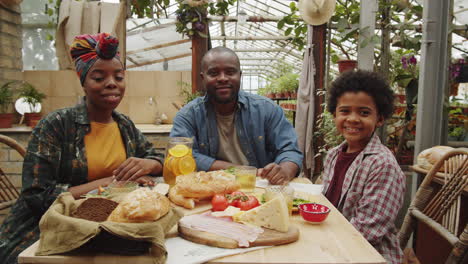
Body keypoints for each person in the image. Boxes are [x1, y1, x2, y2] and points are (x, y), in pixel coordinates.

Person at [0, 33, 163, 263]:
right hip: (45, 230)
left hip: (107, 225)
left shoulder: (124, 125)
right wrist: (107, 184)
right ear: (84, 83)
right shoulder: (56, 125)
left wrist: (150, 163)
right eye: (99, 77)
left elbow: (157, 157)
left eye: (119, 76)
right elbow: (37, 196)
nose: (111, 83)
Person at [170, 47, 303, 185]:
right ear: (203, 78)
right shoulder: (188, 115)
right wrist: (240, 171)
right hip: (210, 190)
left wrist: (284, 171)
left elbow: (289, 149)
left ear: (240, 75)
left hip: (260, 189)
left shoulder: (266, 109)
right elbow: (180, 156)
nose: (222, 78)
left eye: (230, 72)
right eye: (214, 73)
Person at [321, 70, 405, 264]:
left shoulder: (382, 165)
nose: (353, 119)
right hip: (333, 246)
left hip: (368, 255)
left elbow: (366, 232)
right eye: (344, 111)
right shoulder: (334, 154)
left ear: (380, 119)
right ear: (334, 114)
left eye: (364, 112)